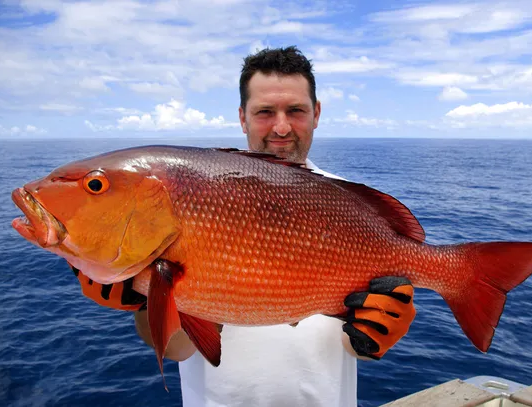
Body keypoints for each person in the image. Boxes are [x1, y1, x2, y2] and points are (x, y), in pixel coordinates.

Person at [72, 46, 416, 407]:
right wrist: (145, 303)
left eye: (295, 111)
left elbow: (353, 347)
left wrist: (377, 335)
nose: (281, 127)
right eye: (265, 112)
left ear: (316, 114)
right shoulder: (198, 193)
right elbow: (177, 349)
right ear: (242, 117)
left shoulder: (351, 205)